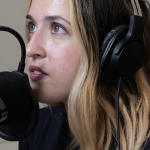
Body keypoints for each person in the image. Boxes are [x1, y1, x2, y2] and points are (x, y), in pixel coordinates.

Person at [19, 0, 150, 149]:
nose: (30, 49)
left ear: (111, 47)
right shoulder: (37, 129)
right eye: (32, 26)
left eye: (57, 27)